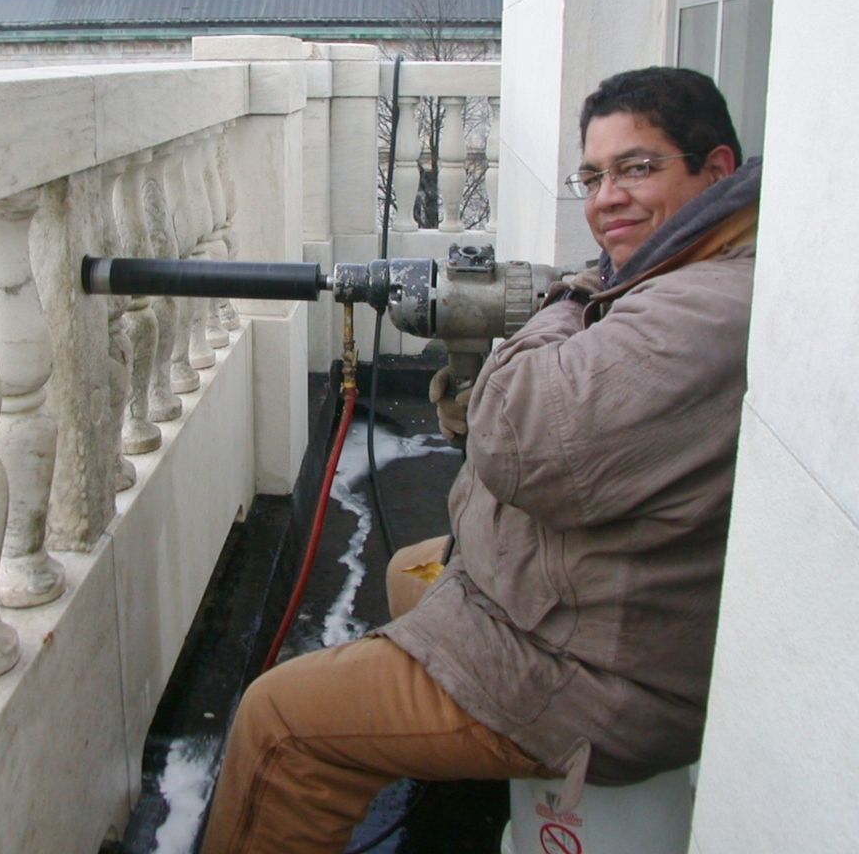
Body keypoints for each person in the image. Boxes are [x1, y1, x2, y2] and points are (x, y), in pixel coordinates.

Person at [201, 67, 761, 853]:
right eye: (593, 177)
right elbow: (545, 443)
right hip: (590, 602)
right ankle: (459, 799)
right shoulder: (673, 268)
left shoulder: (706, 305)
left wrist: (562, 302)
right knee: (412, 572)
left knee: (279, 722)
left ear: (717, 170)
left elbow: (521, 442)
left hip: (593, 677)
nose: (608, 198)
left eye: (637, 168)